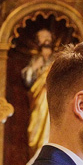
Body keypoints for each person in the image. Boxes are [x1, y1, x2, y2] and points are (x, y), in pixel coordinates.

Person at [21, 27, 57, 156]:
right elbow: (27, 80)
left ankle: (47, 157)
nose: (46, 39)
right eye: (43, 37)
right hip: (38, 98)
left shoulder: (57, 59)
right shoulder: (35, 60)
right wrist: (34, 68)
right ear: (38, 41)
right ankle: (36, 156)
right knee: (35, 128)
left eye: (48, 36)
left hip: (53, 99)